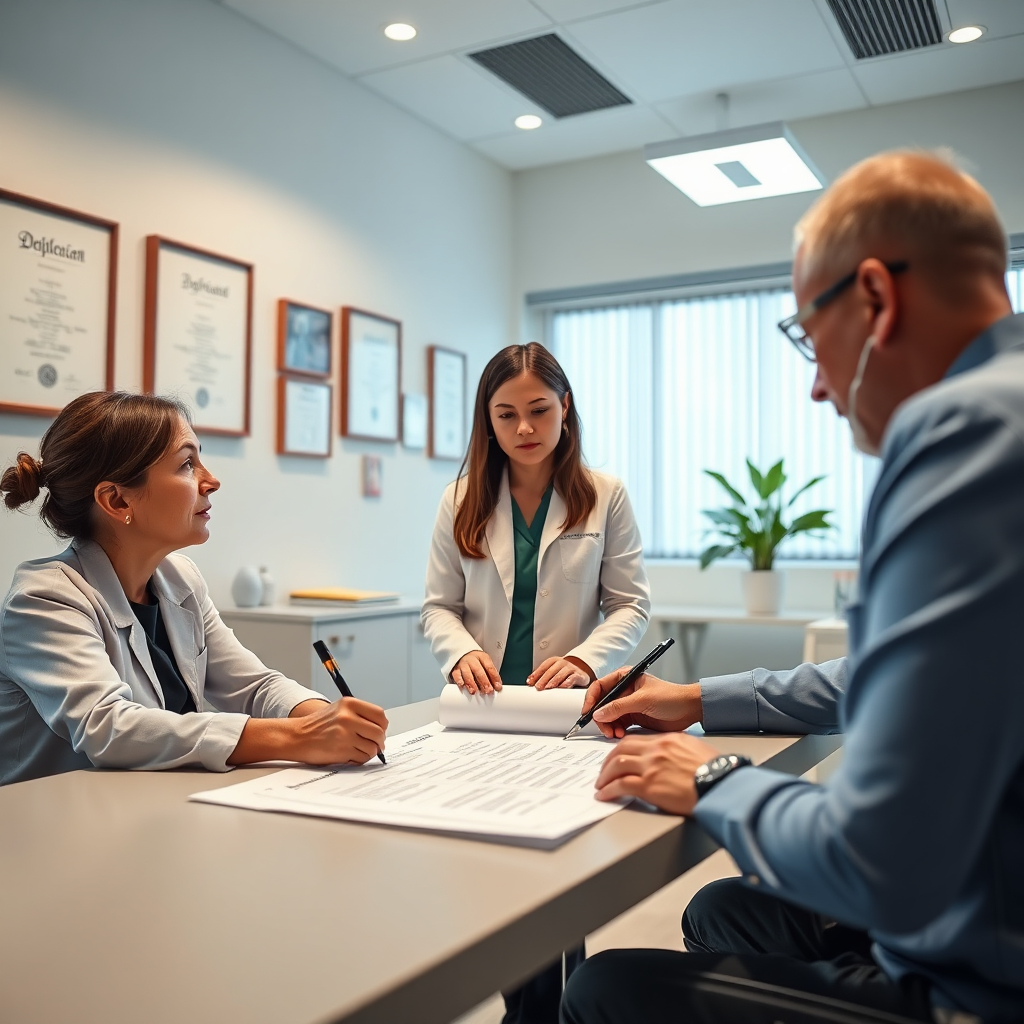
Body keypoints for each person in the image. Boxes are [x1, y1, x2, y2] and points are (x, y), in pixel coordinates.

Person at [562, 150, 1024, 1024]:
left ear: (878, 298)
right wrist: (695, 697)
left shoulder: (962, 430)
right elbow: (888, 677)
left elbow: (883, 859)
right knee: (724, 908)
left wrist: (716, 776)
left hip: (980, 983)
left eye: (813, 346)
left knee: (604, 990)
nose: (817, 388)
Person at [422, 342, 650, 1024]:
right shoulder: (461, 498)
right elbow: (438, 605)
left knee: (558, 866)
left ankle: (554, 1009)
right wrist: (459, 651)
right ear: (486, 420)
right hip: (488, 711)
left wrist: (585, 659)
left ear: (565, 407)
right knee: (497, 871)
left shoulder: (604, 495)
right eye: (506, 414)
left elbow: (630, 604)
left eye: (539, 410)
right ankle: (534, 1010)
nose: (525, 429)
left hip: (565, 716)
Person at [0, 391, 388, 786]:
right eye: (187, 464)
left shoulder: (180, 578)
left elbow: (254, 686)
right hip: (55, 825)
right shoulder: (44, 598)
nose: (212, 480)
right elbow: (109, 728)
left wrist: (325, 718)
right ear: (117, 500)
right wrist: (299, 737)